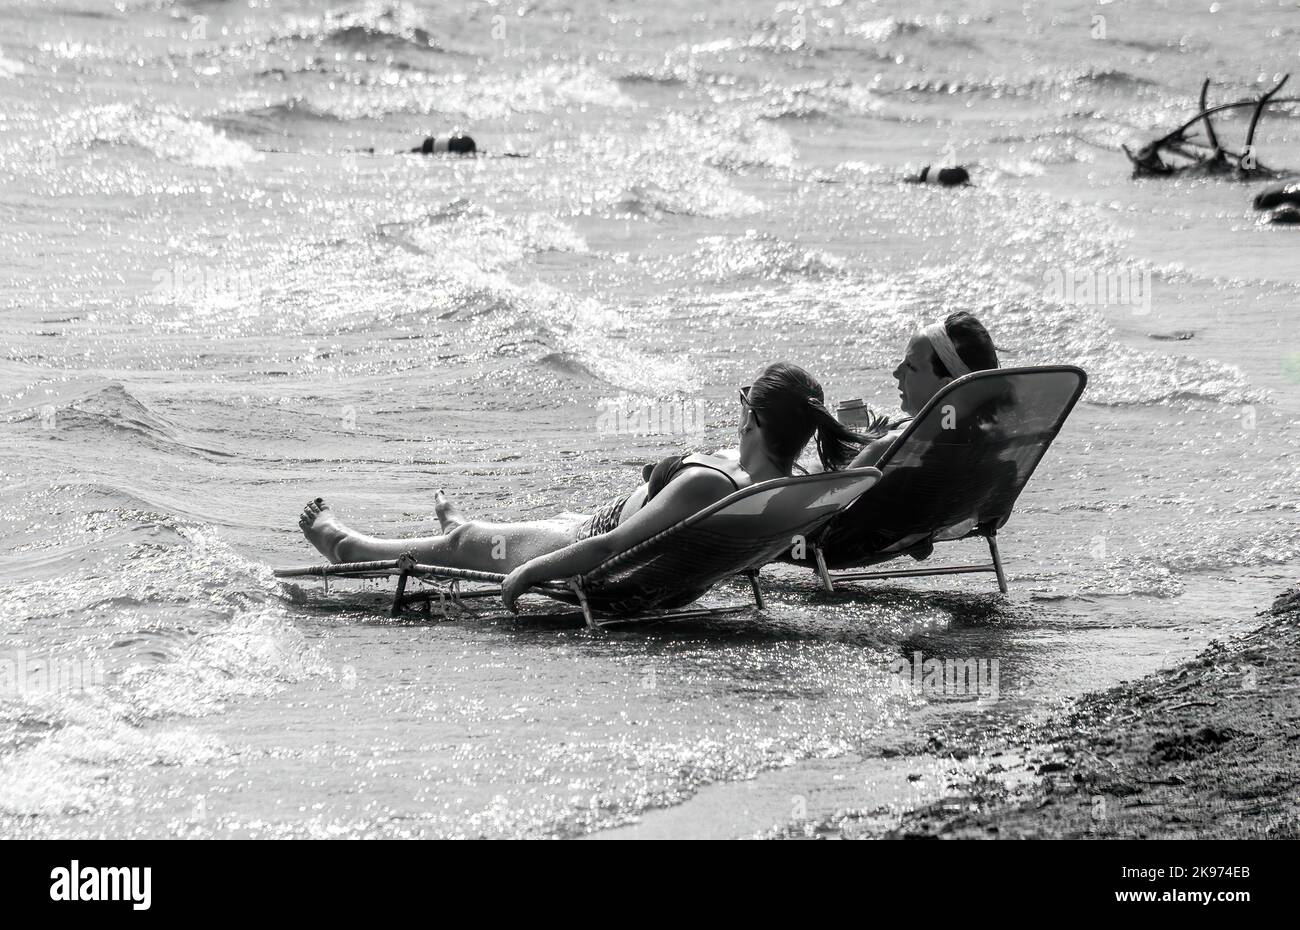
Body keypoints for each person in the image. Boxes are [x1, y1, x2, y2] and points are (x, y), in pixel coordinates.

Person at [297, 362, 865, 610]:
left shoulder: (709, 485)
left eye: (743, 403)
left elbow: (609, 549)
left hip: (589, 545)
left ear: (751, 419)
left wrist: (527, 573)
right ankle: (460, 527)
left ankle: (350, 548)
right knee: (474, 533)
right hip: (634, 544)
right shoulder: (791, 488)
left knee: (464, 546)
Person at [848, 311, 999, 468]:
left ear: (947, 388)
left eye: (911, 366)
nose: (896, 373)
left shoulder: (886, 452)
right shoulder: (998, 443)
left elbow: (829, 491)